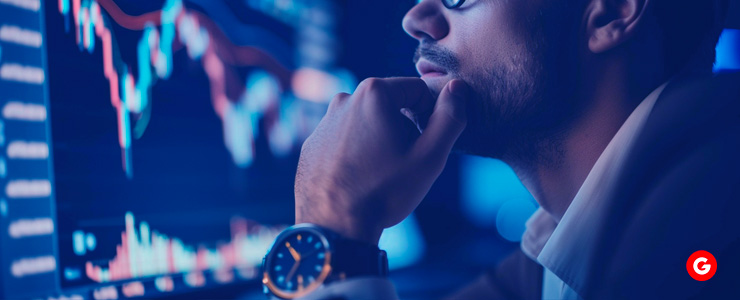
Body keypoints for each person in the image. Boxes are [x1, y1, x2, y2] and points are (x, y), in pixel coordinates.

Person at [262, 0, 740, 299]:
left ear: (612, 11)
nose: (416, 19)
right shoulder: (558, 254)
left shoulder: (709, 242)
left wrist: (333, 223)